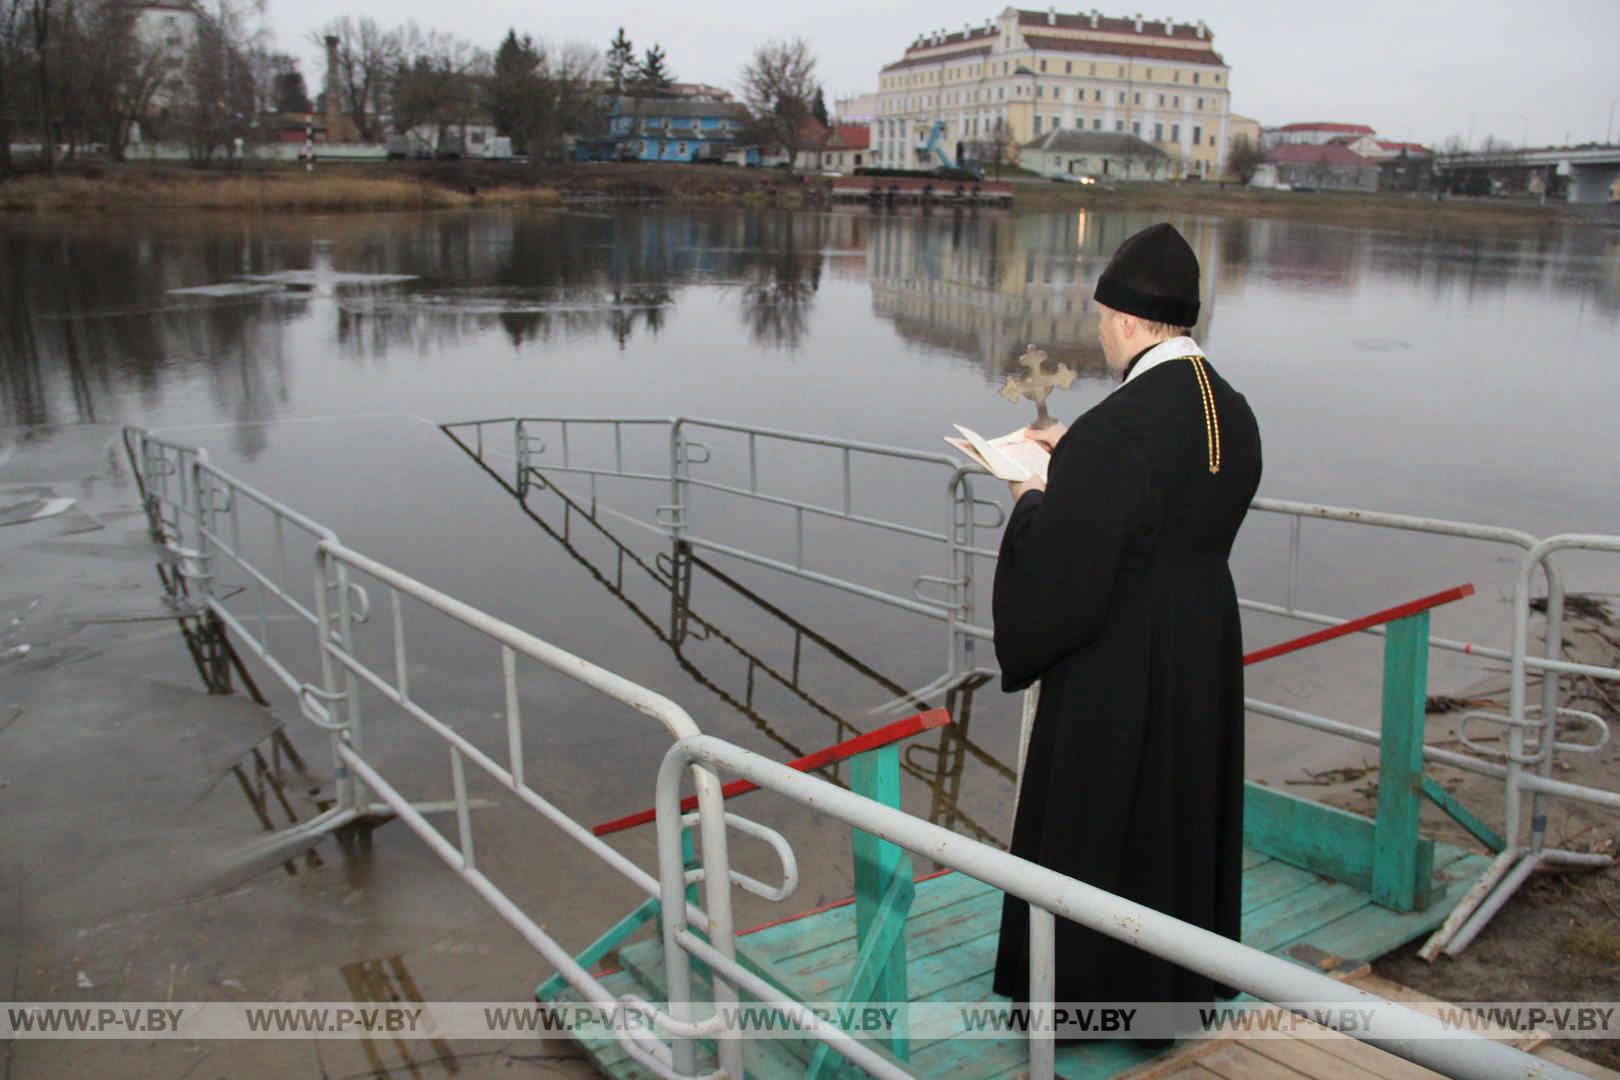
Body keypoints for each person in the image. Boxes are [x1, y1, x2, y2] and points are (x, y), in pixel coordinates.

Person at [990, 222, 1263, 1009]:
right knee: (1178, 813)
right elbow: (1165, 498)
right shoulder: (1230, 408)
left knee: (1105, 816)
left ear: (1134, 324)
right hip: (1202, 640)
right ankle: (1176, 986)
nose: (1101, 335)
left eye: (1105, 321)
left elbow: (1066, 567)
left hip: (1123, 656)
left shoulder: (1122, 425)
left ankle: (1078, 997)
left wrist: (1029, 494)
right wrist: (1077, 453)